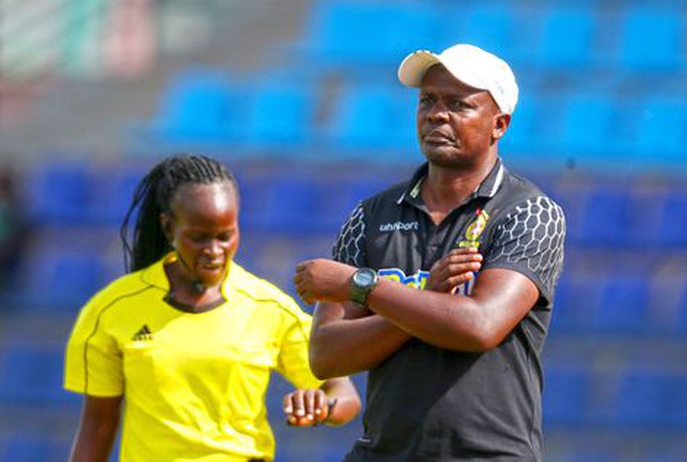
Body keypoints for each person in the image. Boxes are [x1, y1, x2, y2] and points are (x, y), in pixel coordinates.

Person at [294, 44, 566, 461]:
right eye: (428, 101)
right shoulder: (369, 217)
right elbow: (326, 356)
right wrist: (425, 299)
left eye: (458, 104)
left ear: (499, 124)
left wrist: (362, 286)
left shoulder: (530, 213)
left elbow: (480, 326)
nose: (437, 114)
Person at [64, 154, 361, 462]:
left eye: (225, 236)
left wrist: (322, 407)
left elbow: (346, 395)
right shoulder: (112, 310)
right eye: (199, 238)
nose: (214, 250)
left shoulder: (267, 306)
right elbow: (98, 426)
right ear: (169, 227)